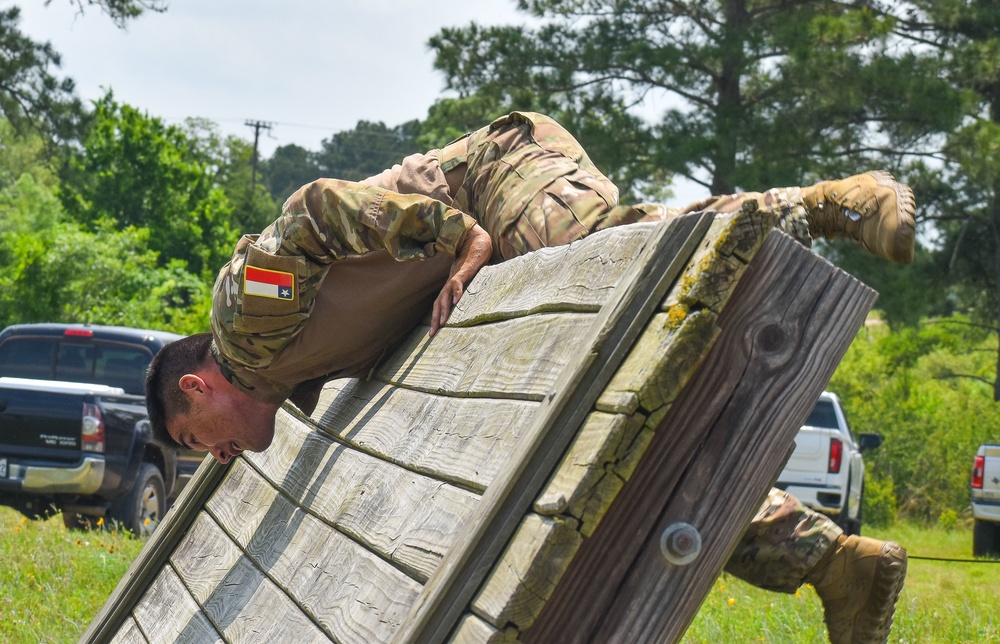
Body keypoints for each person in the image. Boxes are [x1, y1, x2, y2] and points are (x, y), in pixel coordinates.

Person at [146, 112, 910, 644]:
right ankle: (828, 561)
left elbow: (310, 212)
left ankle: (833, 206)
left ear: (197, 387)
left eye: (194, 439)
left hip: (487, 178)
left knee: (622, 252)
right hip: (478, 255)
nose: (214, 456)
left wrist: (460, 232)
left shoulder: (247, 323)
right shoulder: (293, 378)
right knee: (611, 431)